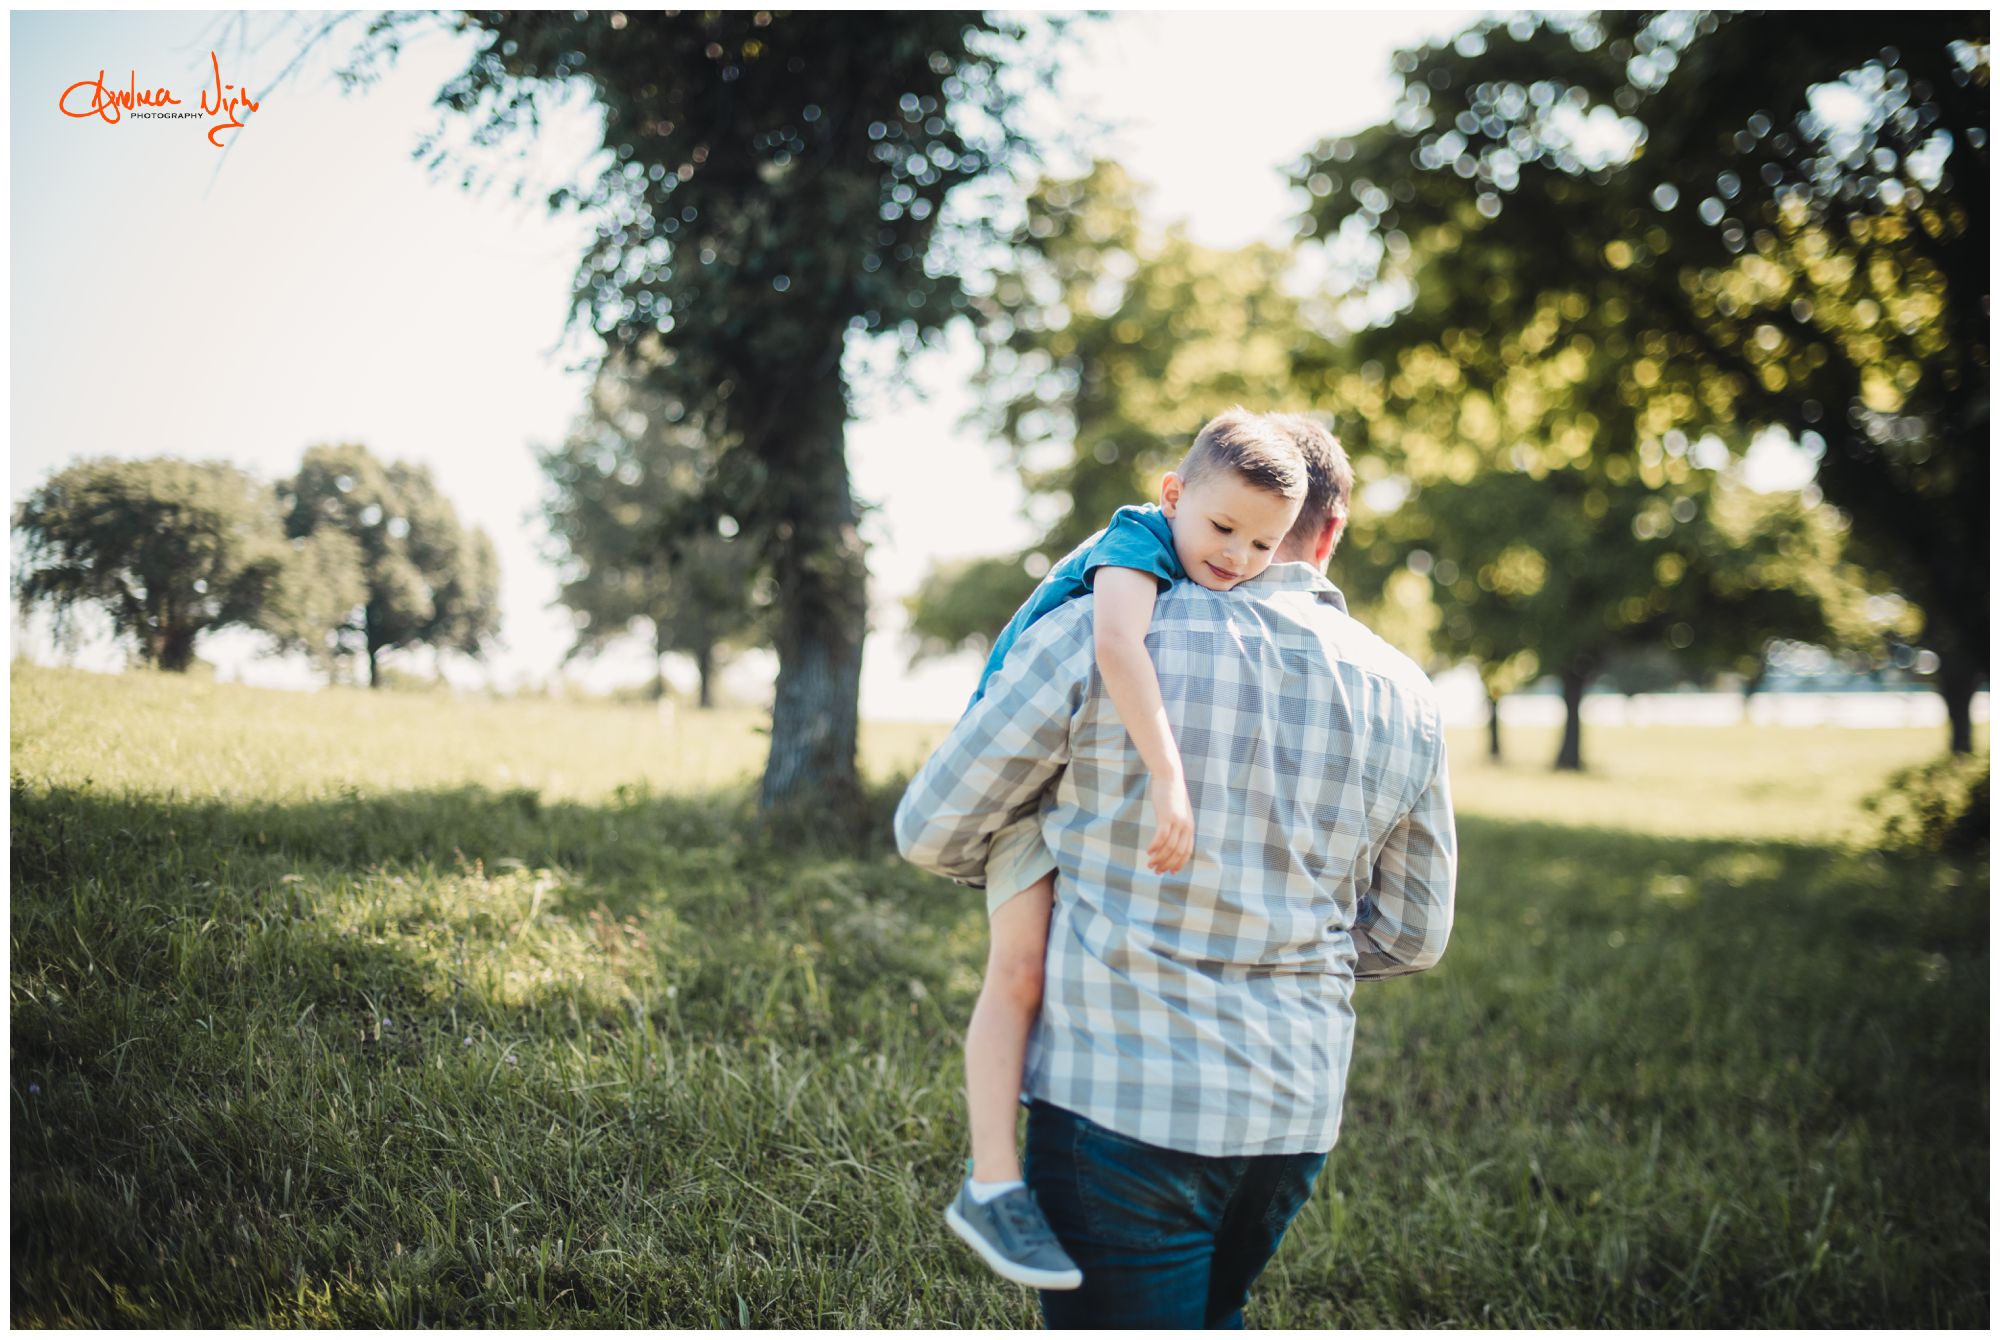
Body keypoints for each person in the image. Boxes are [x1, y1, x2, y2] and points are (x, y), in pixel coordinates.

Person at [896, 411, 1457, 1327]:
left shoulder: (1096, 631)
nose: (1235, 551)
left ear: (1288, 529)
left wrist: (1050, 873)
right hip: (1293, 1114)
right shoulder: (1409, 695)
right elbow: (1413, 934)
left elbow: (931, 827)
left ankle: (989, 1181)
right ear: (1333, 536)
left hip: (1120, 1103)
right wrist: (1272, 937)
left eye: (1254, 538)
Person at [936, 408, 1310, 1290]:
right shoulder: (1134, 543)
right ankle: (991, 1183)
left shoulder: (1200, 561)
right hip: (1018, 783)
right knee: (1019, 971)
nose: (1238, 557)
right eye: (1223, 528)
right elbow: (1116, 646)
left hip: (1069, 781)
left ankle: (1052, 1123)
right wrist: (1170, 778)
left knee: (1067, 972)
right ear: (1173, 496)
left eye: (1264, 545)